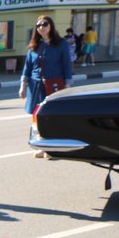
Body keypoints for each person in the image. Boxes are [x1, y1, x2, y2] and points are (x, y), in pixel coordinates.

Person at [19, 15, 74, 157]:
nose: (41, 27)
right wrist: (23, 85)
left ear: (51, 26)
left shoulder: (61, 44)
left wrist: (67, 85)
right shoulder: (34, 45)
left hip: (54, 85)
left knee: (51, 116)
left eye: (44, 24)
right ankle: (42, 147)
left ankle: (52, 147)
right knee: (37, 117)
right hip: (35, 86)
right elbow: (28, 67)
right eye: (38, 25)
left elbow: (66, 64)